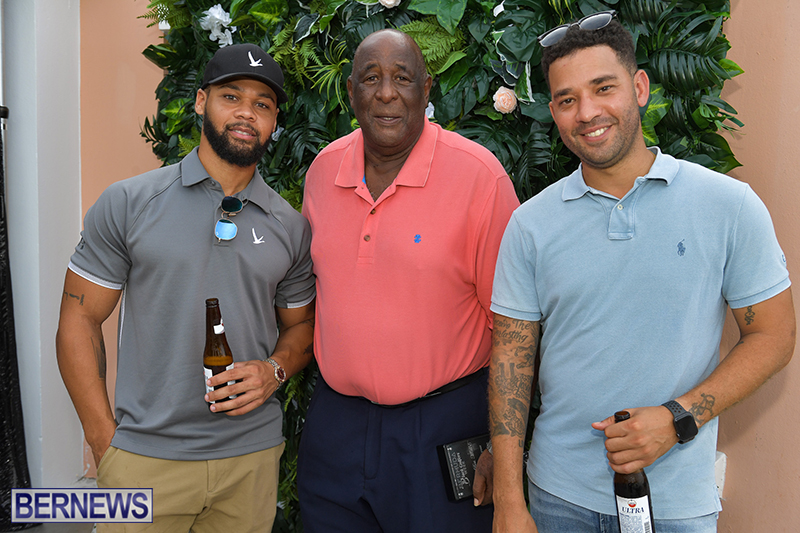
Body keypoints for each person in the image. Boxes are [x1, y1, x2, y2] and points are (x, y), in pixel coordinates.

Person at [488, 12, 795, 533]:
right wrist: (509, 502)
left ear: (639, 87)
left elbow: (774, 334)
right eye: (566, 99)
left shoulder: (727, 206)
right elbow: (510, 360)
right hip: (555, 497)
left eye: (602, 88)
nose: (587, 112)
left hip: (675, 507)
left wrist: (679, 419)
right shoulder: (530, 224)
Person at [56, 43, 316, 532]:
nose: (246, 113)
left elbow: (302, 328)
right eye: (231, 96)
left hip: (250, 461)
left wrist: (274, 370)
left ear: (275, 121)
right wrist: (103, 440)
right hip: (142, 461)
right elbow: (79, 317)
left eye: (262, 104)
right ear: (200, 102)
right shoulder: (130, 203)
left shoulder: (291, 226)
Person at [297, 29, 520, 532]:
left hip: (443, 426)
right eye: (371, 78)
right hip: (337, 426)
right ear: (351, 91)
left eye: (403, 78)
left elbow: (515, 326)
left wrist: (503, 445)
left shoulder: (480, 179)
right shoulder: (323, 173)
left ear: (427, 88)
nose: (386, 93)